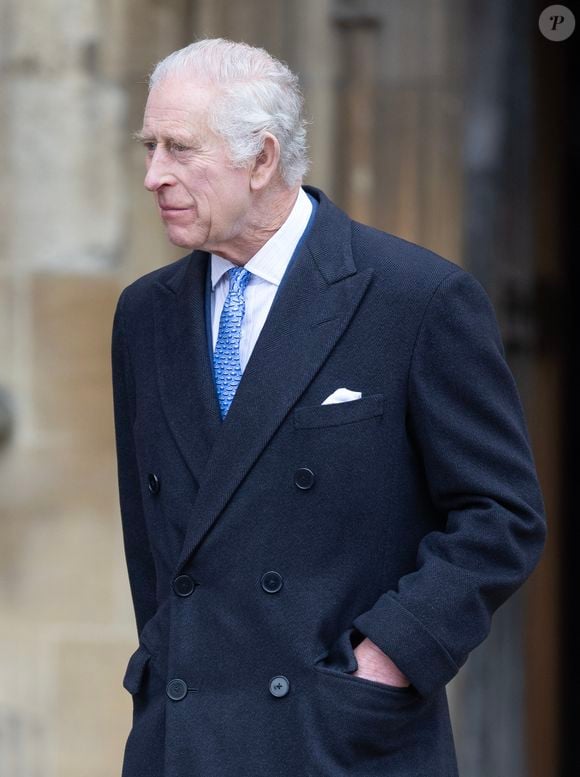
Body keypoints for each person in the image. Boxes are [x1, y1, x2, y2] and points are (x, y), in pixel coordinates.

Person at [111, 38, 547, 777]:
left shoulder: (416, 298)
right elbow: (154, 549)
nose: (154, 174)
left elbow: (502, 515)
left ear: (262, 159)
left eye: (180, 148)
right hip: (180, 739)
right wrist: (168, 656)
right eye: (150, 145)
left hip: (339, 741)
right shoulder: (143, 315)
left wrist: (390, 655)